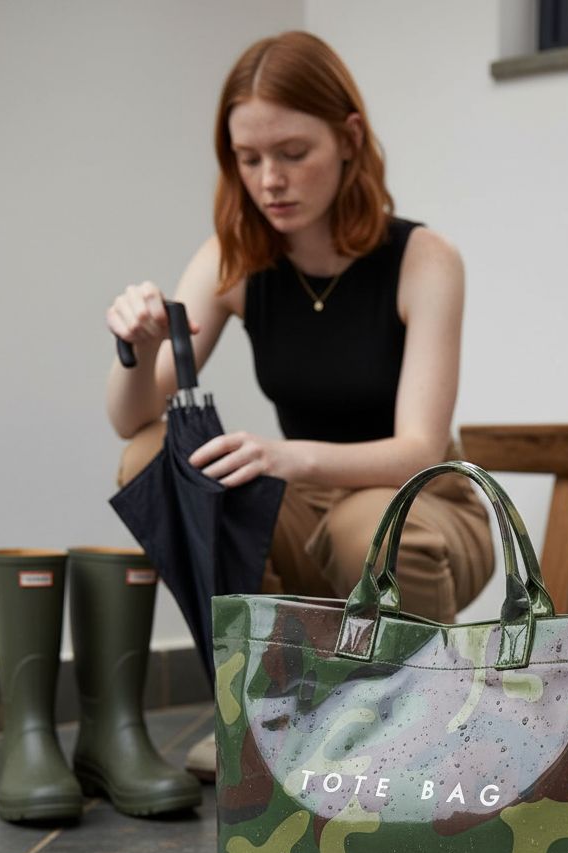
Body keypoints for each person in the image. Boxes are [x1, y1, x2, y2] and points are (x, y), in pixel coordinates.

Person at [105, 30, 496, 780]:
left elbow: (419, 448)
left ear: (349, 138)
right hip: (303, 502)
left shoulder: (424, 260)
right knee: (152, 458)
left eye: (292, 152)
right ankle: (264, 712)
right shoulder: (235, 258)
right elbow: (132, 421)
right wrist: (135, 349)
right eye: (248, 159)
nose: (270, 180)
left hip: (421, 505)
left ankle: (414, 732)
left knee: (363, 527)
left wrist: (285, 457)